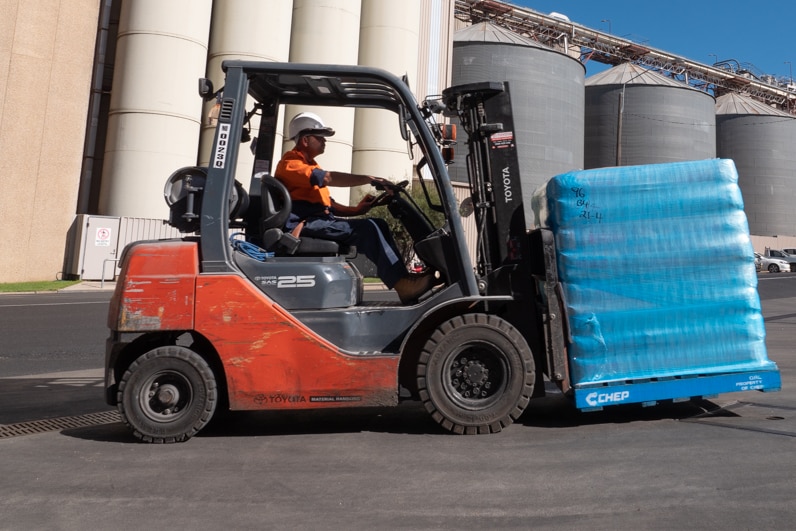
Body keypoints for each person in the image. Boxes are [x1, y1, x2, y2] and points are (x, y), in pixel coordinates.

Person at [274, 112, 435, 304]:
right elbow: (327, 178)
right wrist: (368, 179)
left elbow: (329, 206)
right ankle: (401, 285)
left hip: (320, 220)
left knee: (379, 223)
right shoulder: (291, 164)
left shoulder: (309, 165)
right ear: (306, 140)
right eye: (320, 137)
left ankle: (404, 279)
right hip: (305, 225)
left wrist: (358, 210)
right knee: (368, 229)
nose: (325, 141)